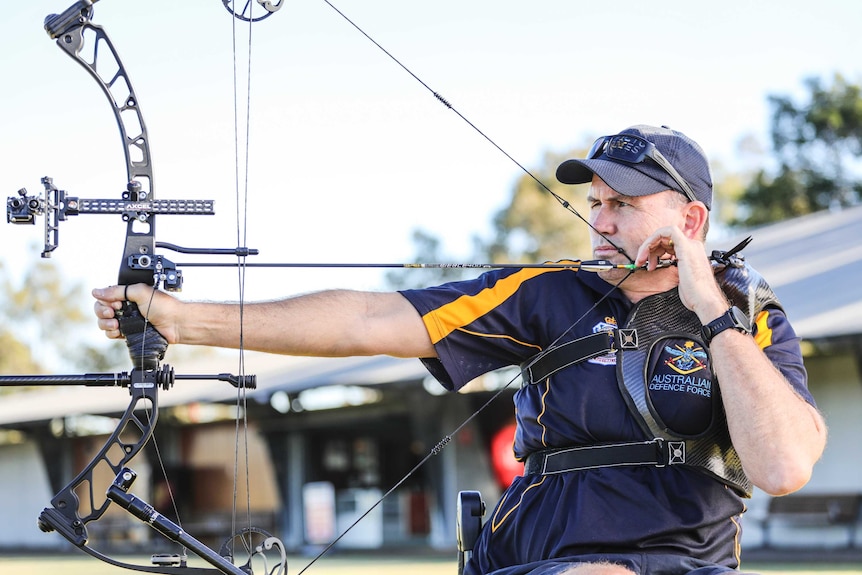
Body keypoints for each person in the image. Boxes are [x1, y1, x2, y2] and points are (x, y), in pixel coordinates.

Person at [93, 125, 827, 575]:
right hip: (555, 561)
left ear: (690, 220)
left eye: (622, 205)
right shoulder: (544, 294)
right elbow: (369, 320)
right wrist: (185, 320)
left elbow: (784, 464)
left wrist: (709, 307)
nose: (597, 221)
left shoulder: (748, 312)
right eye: (595, 201)